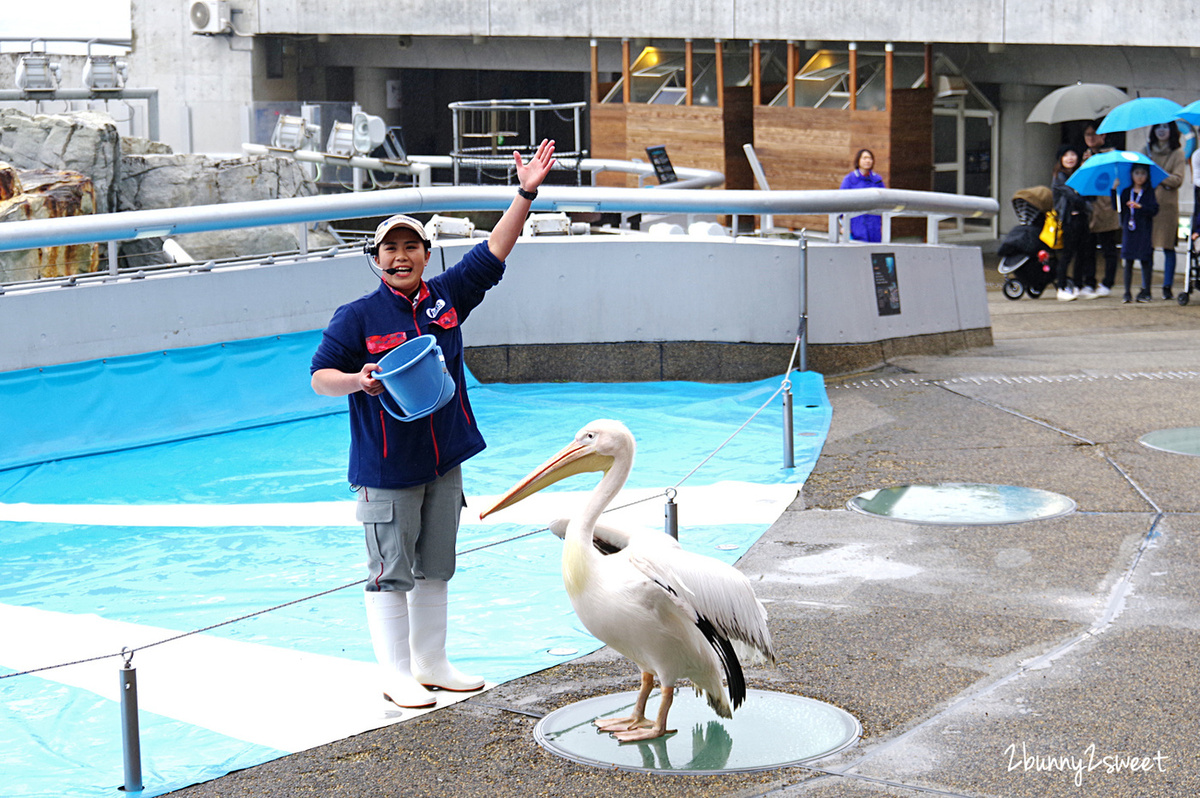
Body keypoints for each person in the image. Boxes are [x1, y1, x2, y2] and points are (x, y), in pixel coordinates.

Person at [310, 139, 556, 709]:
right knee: (389, 569)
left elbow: (496, 250)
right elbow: (321, 377)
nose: (400, 257)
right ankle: (396, 671)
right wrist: (359, 380)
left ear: (426, 253)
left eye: (411, 246)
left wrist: (524, 193)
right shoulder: (357, 317)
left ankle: (432, 662)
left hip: (444, 459)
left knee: (436, 565)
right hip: (388, 464)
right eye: (389, 249)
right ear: (375, 259)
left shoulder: (446, 298)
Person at [1076, 121, 1120, 298]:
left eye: (1094, 134)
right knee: (1088, 248)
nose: (1090, 138)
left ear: (1103, 135)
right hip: (1088, 208)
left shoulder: (1111, 154)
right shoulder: (1085, 155)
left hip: (1105, 206)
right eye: (1087, 135)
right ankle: (1089, 282)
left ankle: (1108, 283)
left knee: (1109, 247)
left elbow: (1114, 179)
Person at [1145, 123, 1185, 299]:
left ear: (1172, 131)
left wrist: (1158, 175)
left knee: (1168, 246)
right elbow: (1138, 174)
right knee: (1148, 247)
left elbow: (1177, 180)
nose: (1162, 130)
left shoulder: (1178, 153)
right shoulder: (1146, 151)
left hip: (1168, 207)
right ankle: (1146, 286)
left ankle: (1167, 286)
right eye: (1158, 127)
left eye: (1166, 127)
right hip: (1147, 205)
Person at [1115, 164, 1159, 303]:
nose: (1140, 177)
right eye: (1137, 173)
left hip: (1144, 229)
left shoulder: (1149, 192)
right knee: (1128, 260)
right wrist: (1113, 190)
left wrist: (1141, 207)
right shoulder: (1127, 192)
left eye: (1143, 174)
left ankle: (1146, 290)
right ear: (1132, 175)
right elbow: (1117, 207)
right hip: (1130, 230)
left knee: (1145, 259)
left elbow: (1154, 209)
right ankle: (1127, 292)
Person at [1050, 144, 1088, 301]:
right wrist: (1079, 193)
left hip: (1081, 218)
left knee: (1081, 254)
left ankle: (1078, 285)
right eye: (1066, 155)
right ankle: (1061, 287)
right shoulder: (1059, 176)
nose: (1070, 158)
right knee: (1066, 255)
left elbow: (1087, 196)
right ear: (1061, 159)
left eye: (1073, 154)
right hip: (1067, 220)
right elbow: (1074, 197)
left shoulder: (1079, 174)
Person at [839, 148, 885, 242]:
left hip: (874, 225)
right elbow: (840, 202)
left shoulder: (877, 180)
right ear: (858, 160)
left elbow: (885, 202)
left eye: (870, 158)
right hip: (856, 224)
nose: (867, 161)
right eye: (864, 158)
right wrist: (843, 226)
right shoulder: (850, 180)